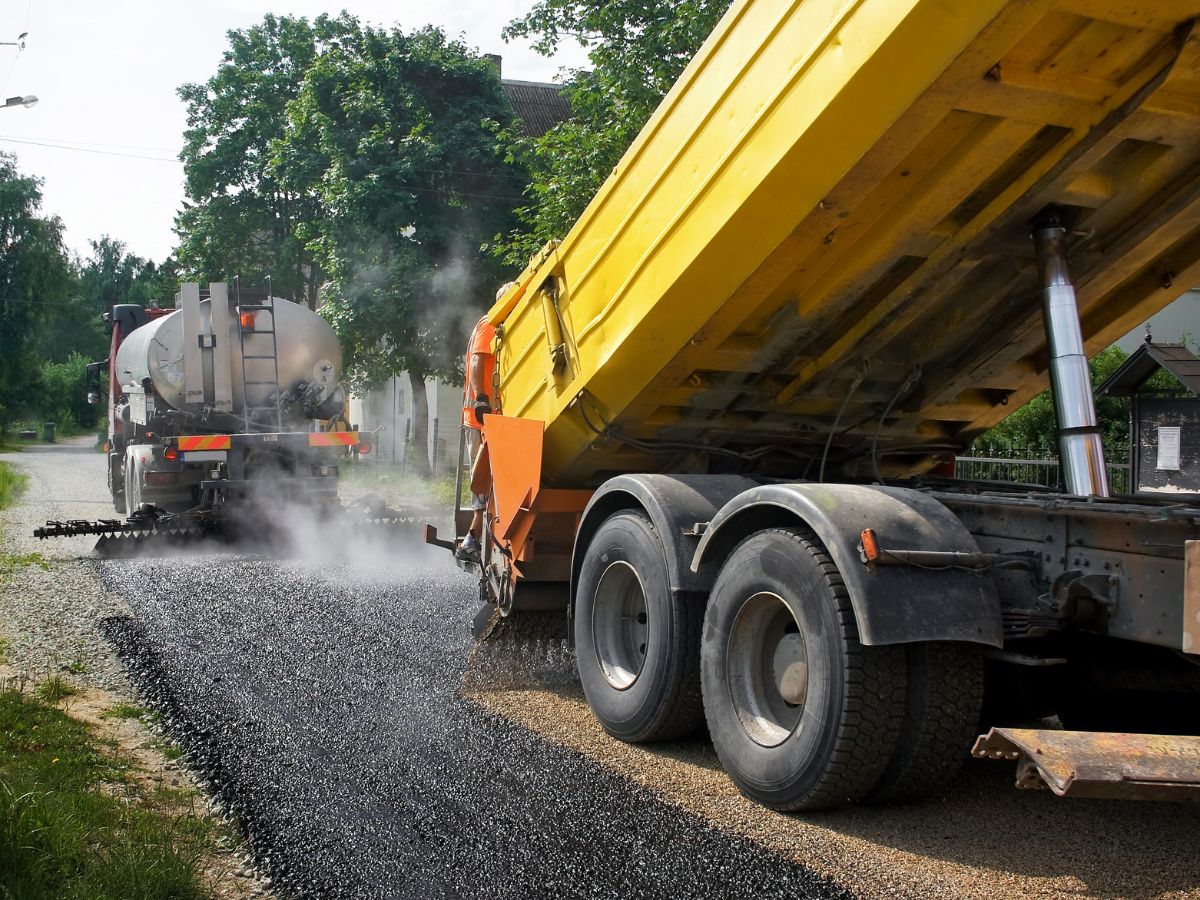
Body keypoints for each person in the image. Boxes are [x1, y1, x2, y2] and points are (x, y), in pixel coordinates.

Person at [456, 313, 496, 561]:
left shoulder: (487, 323)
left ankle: (475, 538)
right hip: (480, 418)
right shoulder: (490, 323)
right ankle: (473, 538)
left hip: (484, 417)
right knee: (482, 477)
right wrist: (482, 398)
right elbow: (476, 362)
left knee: (485, 478)